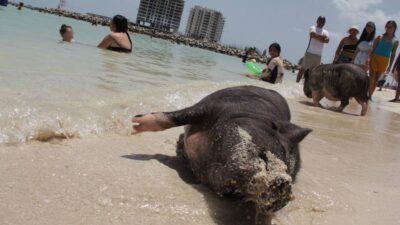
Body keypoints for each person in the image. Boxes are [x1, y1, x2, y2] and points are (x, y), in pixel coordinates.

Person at [368, 20, 399, 98]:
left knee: (376, 79)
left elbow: (393, 54)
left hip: (385, 61)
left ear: (394, 28)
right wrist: (369, 58)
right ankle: (366, 94)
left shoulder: (396, 41)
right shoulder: (379, 37)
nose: (388, 28)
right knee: (372, 77)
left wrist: (390, 66)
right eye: (387, 27)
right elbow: (373, 49)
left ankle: (370, 95)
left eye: (390, 27)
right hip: (375, 57)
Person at [296, 16, 330, 83]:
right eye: (320, 20)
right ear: (317, 21)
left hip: (319, 55)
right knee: (303, 69)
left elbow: (327, 41)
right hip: (310, 52)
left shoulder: (326, 31)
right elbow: (312, 35)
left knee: (313, 73)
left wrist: (318, 37)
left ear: (324, 23)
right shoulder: (313, 27)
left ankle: (307, 86)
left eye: (323, 21)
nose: (321, 22)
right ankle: (296, 83)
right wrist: (322, 38)